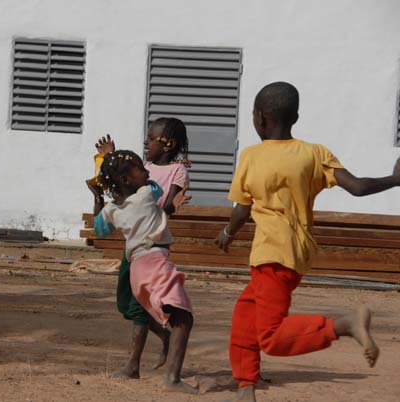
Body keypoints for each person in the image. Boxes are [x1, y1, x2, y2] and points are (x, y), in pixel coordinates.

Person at [215, 81, 399, 402]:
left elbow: (242, 210)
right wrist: (395, 179)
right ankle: (246, 384)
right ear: (294, 117)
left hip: (271, 253)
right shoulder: (314, 153)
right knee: (245, 315)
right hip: (297, 255)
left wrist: (228, 234)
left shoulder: (251, 156)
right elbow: (357, 187)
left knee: (270, 336)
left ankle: (343, 325)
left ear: (259, 117)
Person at [88, 150, 196, 393]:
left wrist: (99, 197)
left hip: (136, 266)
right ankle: (172, 378)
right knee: (183, 318)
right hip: (154, 261)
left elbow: (99, 229)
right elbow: (157, 189)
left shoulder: (112, 210)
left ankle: (140, 364)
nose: (145, 168)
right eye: (138, 166)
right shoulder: (148, 193)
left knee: (155, 313)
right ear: (126, 180)